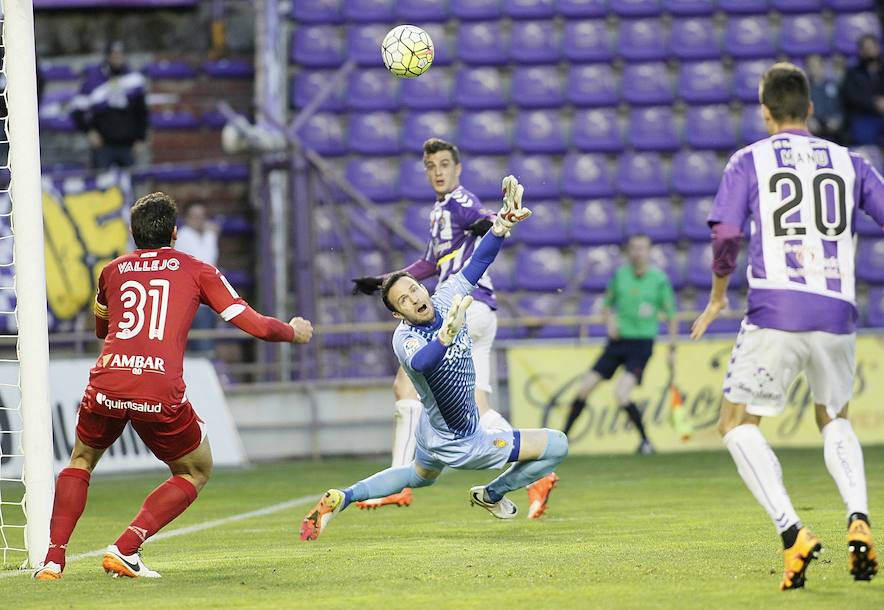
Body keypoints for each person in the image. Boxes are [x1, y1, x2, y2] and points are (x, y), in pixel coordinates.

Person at [692, 62, 884, 591]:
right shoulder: (851, 162)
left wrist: (718, 296)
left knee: (736, 424)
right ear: (810, 108)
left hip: (776, 310)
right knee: (833, 416)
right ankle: (859, 516)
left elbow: (727, 236)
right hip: (836, 311)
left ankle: (793, 534)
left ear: (765, 112)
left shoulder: (750, 160)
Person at [33, 192, 314, 580]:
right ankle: (126, 547)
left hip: (107, 381)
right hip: (156, 387)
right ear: (175, 233)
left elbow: (102, 328)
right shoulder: (197, 270)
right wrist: (293, 332)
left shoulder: (111, 271)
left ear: (133, 235)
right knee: (195, 470)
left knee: (81, 460)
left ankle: (52, 560)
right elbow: (254, 325)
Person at [300, 176, 568, 540]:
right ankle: (491, 494)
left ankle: (343, 496)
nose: (413, 298)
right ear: (398, 314)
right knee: (557, 445)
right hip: (463, 441)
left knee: (417, 476)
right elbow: (424, 363)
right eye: (403, 301)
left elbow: (477, 263)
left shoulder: (444, 298)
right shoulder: (405, 338)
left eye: (413, 289)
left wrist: (502, 224)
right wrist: (445, 336)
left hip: (432, 431)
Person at [350, 138, 558, 513]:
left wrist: (493, 224)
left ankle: (401, 479)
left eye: (445, 164)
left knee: (405, 384)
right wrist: (382, 281)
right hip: (479, 311)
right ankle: (533, 470)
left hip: (459, 308)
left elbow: (478, 222)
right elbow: (427, 265)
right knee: (476, 405)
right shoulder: (440, 210)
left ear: (457, 169)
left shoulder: (460, 203)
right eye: (432, 166)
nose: (439, 172)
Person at [563, 234, 676, 454]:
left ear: (649, 251)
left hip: (641, 344)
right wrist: (610, 322)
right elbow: (606, 306)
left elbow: (671, 315)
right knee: (585, 387)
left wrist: (672, 349)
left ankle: (645, 442)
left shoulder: (659, 279)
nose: (638, 252)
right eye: (634, 248)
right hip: (617, 342)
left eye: (642, 248)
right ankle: (562, 439)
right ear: (629, 251)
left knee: (622, 393)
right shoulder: (620, 275)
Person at [71, 41, 148, 170]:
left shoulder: (134, 80)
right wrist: (89, 131)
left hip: (128, 144)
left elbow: (141, 111)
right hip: (103, 145)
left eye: (120, 54)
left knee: (129, 186)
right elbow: (78, 109)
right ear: (107, 56)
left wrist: (140, 138)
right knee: (103, 185)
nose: (117, 58)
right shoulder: (94, 80)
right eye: (114, 54)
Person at [176, 202, 220, 355]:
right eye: (194, 217)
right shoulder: (183, 237)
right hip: (192, 303)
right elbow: (205, 262)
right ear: (187, 218)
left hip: (207, 302)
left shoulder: (206, 236)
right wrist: (211, 234)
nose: (198, 220)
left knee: (205, 348)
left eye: (202, 217)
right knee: (202, 350)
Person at [841, 34, 884, 146]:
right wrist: (873, 103)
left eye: (872, 47)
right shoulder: (853, 73)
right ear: (861, 52)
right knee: (861, 138)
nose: (870, 51)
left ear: (878, 48)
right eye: (866, 49)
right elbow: (850, 96)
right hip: (866, 115)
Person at [806, 55, 843, 143]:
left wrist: (837, 118)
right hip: (813, 123)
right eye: (811, 66)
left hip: (831, 122)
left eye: (817, 65)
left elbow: (840, 105)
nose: (814, 69)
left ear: (822, 67)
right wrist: (808, 120)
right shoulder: (804, 88)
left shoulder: (833, 86)